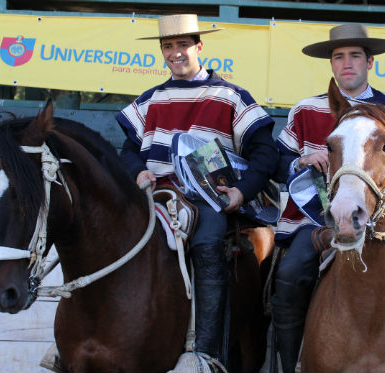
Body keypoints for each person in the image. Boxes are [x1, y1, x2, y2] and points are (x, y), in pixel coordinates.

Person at [272, 23, 385, 373]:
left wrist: (383, 201)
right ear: (331, 64)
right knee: (290, 275)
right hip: (317, 219)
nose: (347, 63)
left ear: (370, 62)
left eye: (355, 55)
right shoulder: (305, 110)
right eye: (338, 57)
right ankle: (290, 363)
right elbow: (278, 159)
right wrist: (301, 160)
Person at [116, 14, 277, 372]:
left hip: (207, 199)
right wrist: (136, 170)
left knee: (206, 245)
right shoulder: (150, 100)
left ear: (199, 46)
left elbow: (265, 153)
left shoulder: (231, 96)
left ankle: (204, 353)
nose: (176, 53)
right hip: (154, 195)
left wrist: (240, 192)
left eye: (183, 44)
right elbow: (128, 150)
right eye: (168, 46)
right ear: (162, 51)